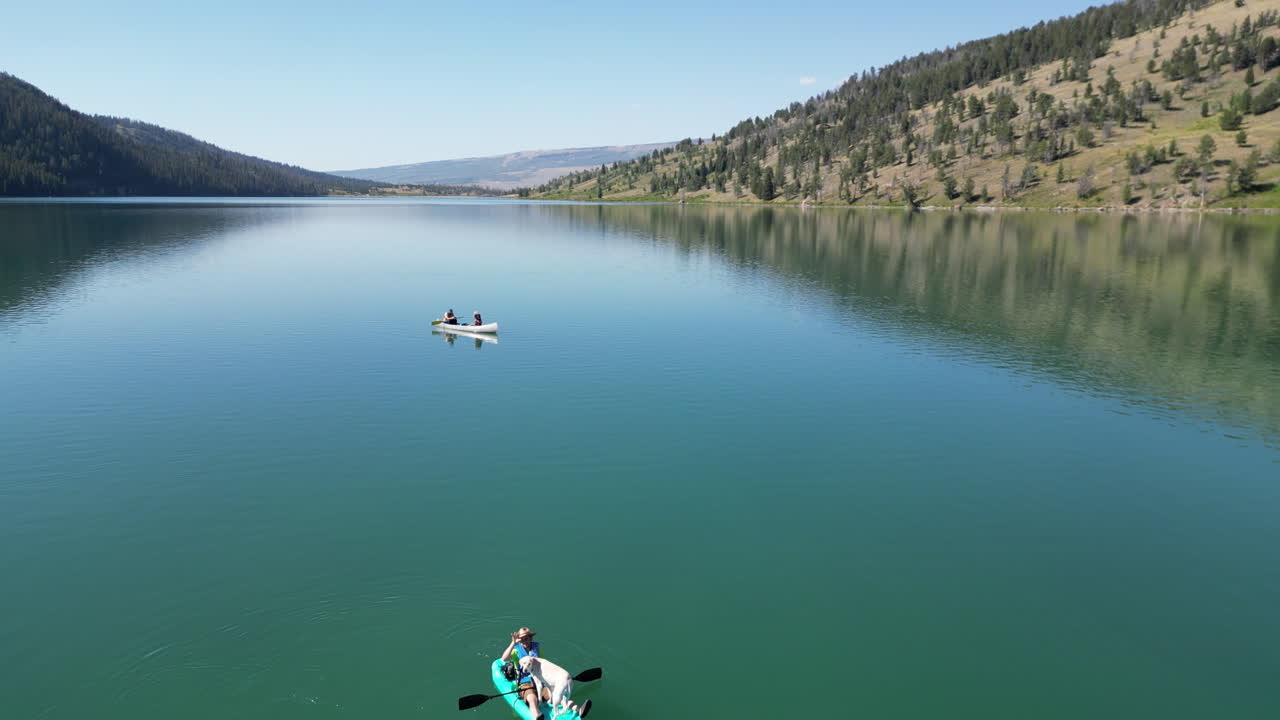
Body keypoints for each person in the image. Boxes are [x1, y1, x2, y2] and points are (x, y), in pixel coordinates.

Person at [500, 627, 591, 719]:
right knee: (532, 698)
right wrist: (513, 643)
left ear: (531, 638)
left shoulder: (536, 648)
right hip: (525, 683)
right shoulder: (516, 650)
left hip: (541, 681)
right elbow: (504, 659)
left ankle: (578, 710)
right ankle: (537, 716)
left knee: (559, 695)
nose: (524, 641)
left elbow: (544, 665)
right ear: (519, 640)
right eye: (522, 639)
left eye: (526, 638)